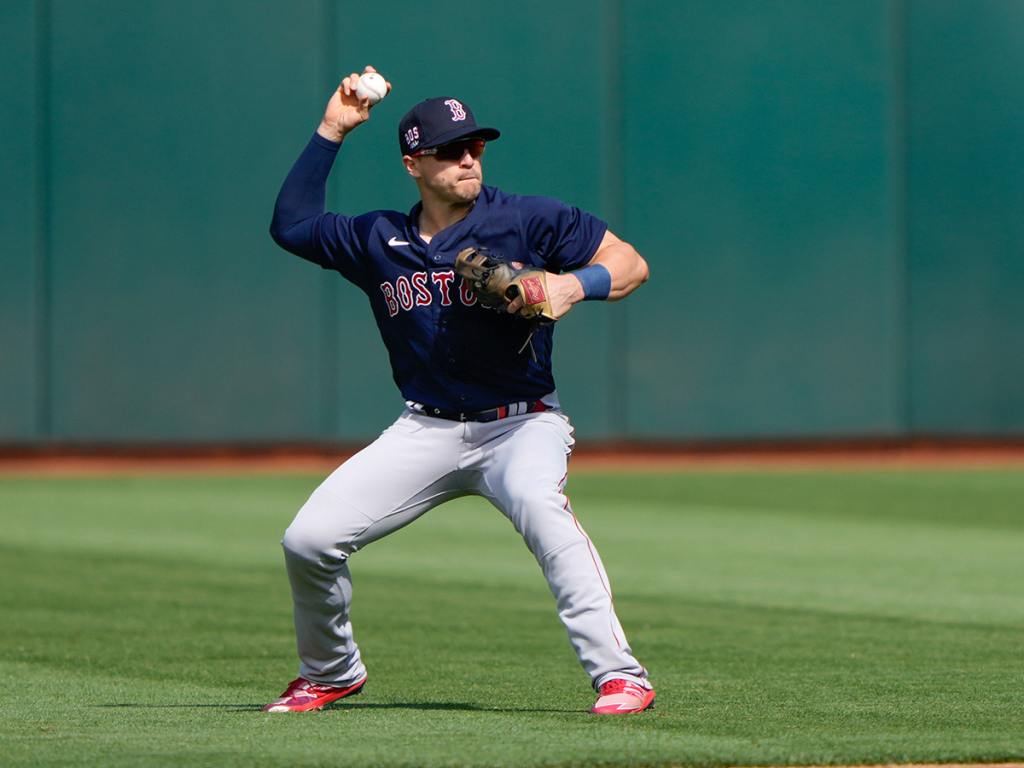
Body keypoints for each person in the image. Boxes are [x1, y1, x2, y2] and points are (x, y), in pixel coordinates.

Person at [264, 66, 653, 715]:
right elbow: (292, 224)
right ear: (414, 163)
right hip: (428, 427)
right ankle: (331, 671)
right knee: (308, 540)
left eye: (476, 146)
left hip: (521, 423)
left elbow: (629, 263)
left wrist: (568, 285)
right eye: (451, 150)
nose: (470, 158)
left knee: (540, 509)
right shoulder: (375, 239)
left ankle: (620, 675)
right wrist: (333, 128)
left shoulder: (526, 220)